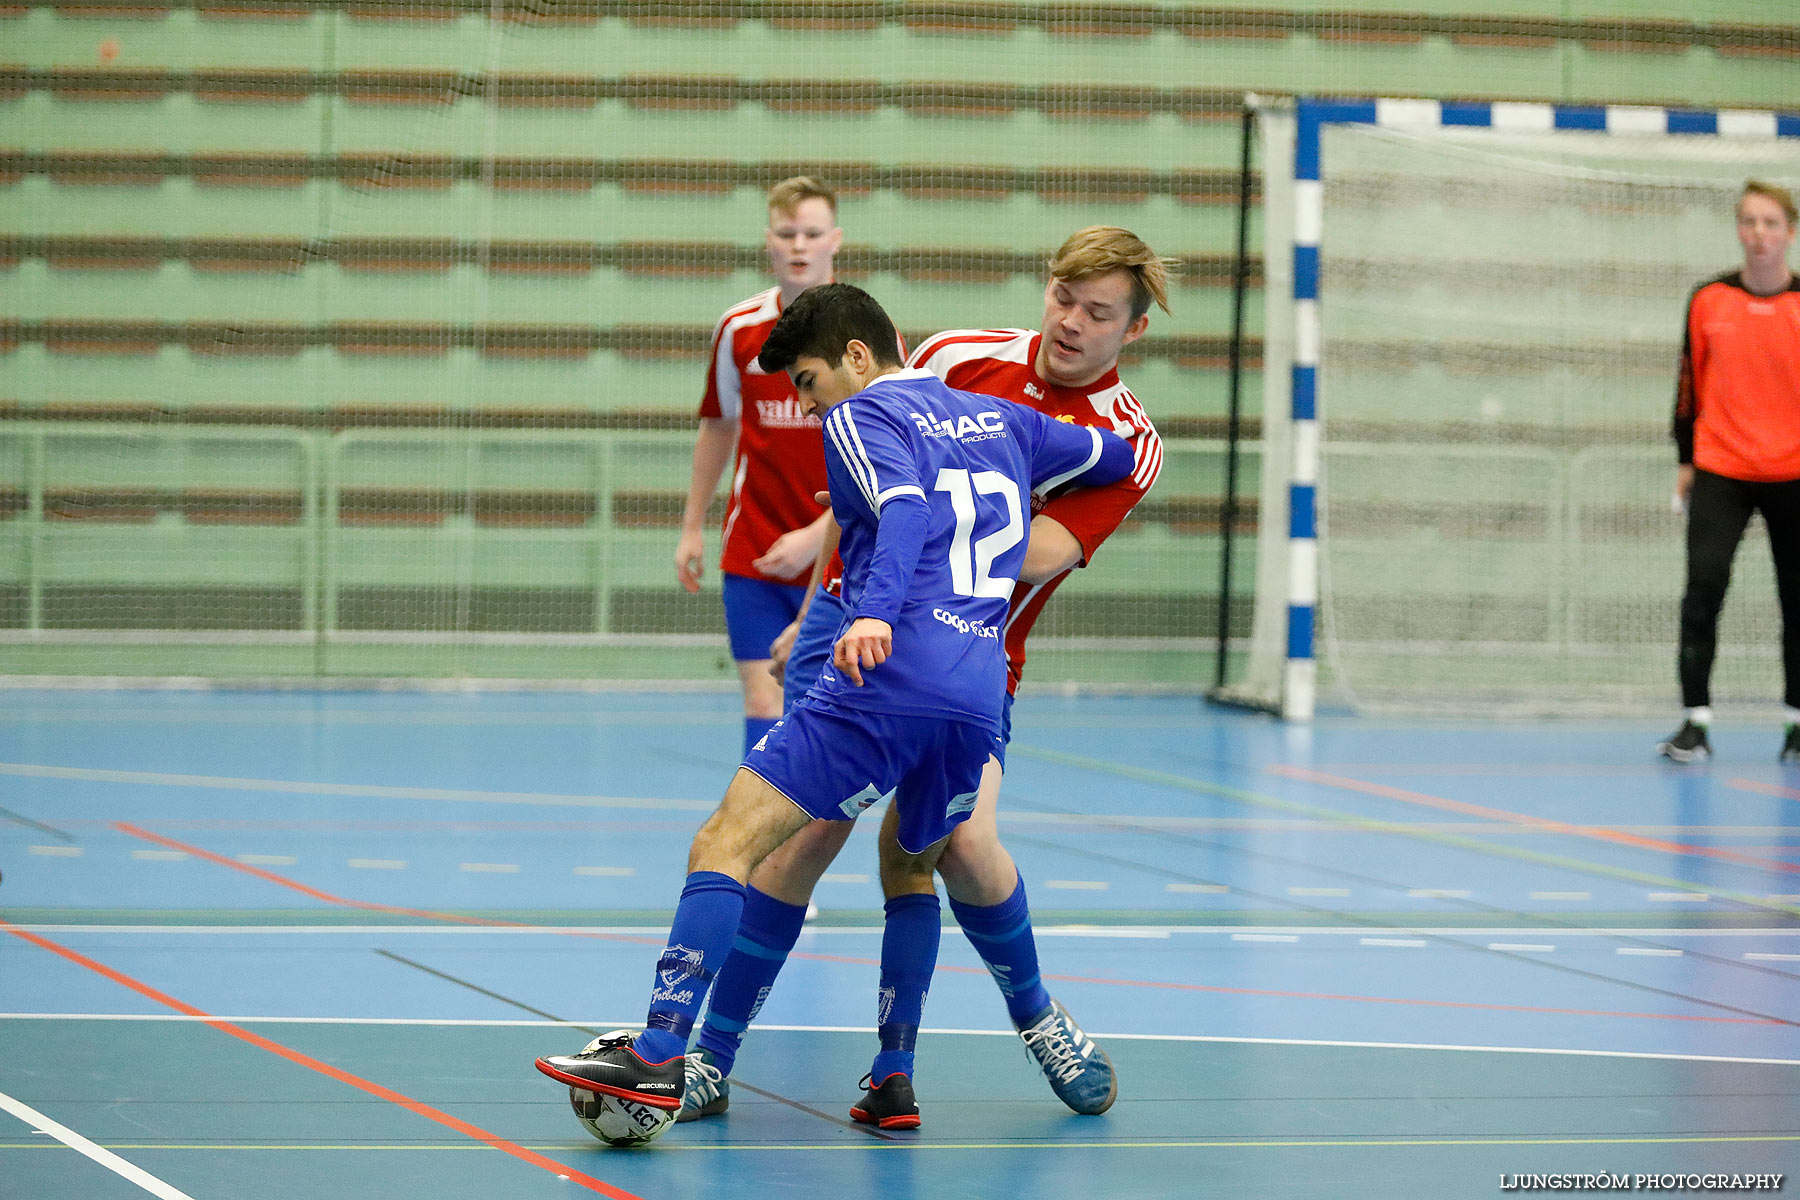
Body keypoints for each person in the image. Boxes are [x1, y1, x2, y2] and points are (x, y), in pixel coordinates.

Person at [535, 282, 1138, 1132]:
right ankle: (892, 1078)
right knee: (913, 860)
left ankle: (666, 1052)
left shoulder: (862, 419)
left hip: (889, 675)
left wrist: (872, 614)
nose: (813, 408)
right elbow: (1114, 460)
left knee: (731, 838)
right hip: (974, 689)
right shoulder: (996, 419)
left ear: (857, 358)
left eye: (811, 384)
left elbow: (904, 510)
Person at [680, 227, 1169, 1123]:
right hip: (852, 621)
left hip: (972, 654)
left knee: (952, 848)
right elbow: (875, 469)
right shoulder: (955, 355)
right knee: (799, 841)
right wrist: (825, 592)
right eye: (1062, 296)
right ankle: (710, 1057)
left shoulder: (1125, 439)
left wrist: (914, 516)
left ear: (1131, 332)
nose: (1070, 322)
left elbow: (1037, 552)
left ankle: (1035, 1014)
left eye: (1097, 313)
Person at [676, 176, 841, 757]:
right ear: (768, 241)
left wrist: (818, 536)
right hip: (754, 548)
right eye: (787, 232)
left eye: (813, 233)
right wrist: (693, 525)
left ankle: (800, 835)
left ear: (835, 242)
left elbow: (891, 461)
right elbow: (718, 426)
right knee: (762, 701)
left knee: (818, 703)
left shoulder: (864, 336)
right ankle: (761, 837)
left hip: (839, 551)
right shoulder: (739, 329)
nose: (799, 245)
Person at [1658, 181, 1800, 764]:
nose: (1758, 233)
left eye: (1770, 222)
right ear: (1738, 229)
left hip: (1793, 470)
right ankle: (1696, 722)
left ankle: (1796, 723)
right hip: (1721, 467)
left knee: (1798, 601)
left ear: (1788, 232)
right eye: (1748, 222)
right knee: (1702, 591)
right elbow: (1688, 385)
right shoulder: (1708, 300)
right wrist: (1686, 459)